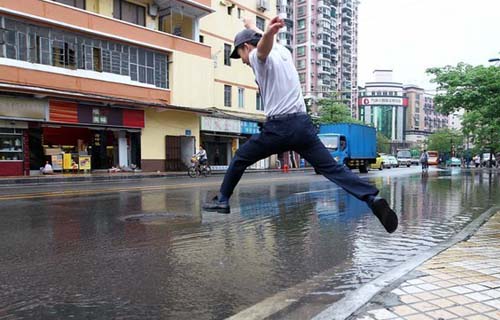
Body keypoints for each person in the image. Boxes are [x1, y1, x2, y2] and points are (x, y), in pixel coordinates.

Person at [202, 17, 398, 234]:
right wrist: (254, 27)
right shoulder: (283, 52)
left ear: (245, 47)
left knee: (239, 159)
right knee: (332, 169)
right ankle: (372, 197)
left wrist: (266, 33)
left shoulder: (259, 57)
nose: (244, 61)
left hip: (279, 128)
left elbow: (262, 48)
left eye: (240, 56)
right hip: (303, 126)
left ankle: (222, 200)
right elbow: (266, 41)